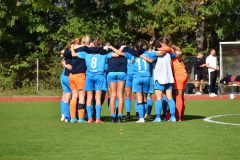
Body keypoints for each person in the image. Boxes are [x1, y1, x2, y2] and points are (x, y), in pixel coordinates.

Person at [70, 41, 122, 123]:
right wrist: (110, 48)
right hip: (99, 76)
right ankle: (98, 118)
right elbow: (118, 54)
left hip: (89, 76)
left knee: (89, 97)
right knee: (97, 97)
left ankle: (90, 118)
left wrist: (72, 47)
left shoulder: (86, 54)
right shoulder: (104, 55)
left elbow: (73, 54)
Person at [152, 36, 177, 123]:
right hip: (169, 78)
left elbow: (151, 60)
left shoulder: (156, 53)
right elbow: (177, 54)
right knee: (170, 97)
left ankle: (158, 117)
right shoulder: (170, 53)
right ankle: (173, 117)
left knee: (159, 98)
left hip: (159, 78)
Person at [67, 37, 87, 123]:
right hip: (80, 75)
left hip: (71, 75)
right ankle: (81, 118)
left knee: (74, 96)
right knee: (81, 96)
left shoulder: (74, 49)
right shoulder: (85, 50)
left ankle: (72, 118)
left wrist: (72, 46)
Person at [172, 49, 188, 121]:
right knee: (181, 96)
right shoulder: (179, 59)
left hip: (179, 76)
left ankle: (179, 117)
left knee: (178, 96)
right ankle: (182, 116)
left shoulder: (173, 58)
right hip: (184, 75)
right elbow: (179, 51)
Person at [59, 45, 72, 122]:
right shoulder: (71, 54)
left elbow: (62, 53)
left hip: (63, 76)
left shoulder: (66, 55)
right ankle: (67, 116)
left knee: (64, 96)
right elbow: (62, 52)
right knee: (68, 96)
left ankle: (63, 115)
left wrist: (64, 64)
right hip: (67, 76)